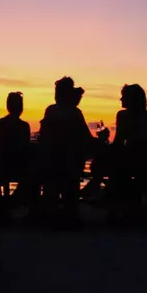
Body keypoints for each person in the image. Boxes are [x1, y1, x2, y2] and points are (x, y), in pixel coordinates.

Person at [37, 76, 94, 227]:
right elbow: (86, 137)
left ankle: (51, 214)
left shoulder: (52, 111)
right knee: (70, 180)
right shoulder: (74, 113)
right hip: (68, 162)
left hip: (54, 161)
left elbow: (43, 135)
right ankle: (69, 214)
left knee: (51, 179)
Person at [110, 83, 147, 224]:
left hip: (143, 163)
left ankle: (124, 211)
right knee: (116, 171)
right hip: (145, 162)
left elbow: (121, 141)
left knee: (116, 174)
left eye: (124, 97)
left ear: (132, 99)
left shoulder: (126, 116)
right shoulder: (146, 116)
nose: (121, 99)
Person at [0, 92, 31, 222]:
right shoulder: (23, 126)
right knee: (33, 173)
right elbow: (24, 149)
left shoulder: (0, 124)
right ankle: (14, 201)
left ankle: (9, 202)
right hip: (11, 168)